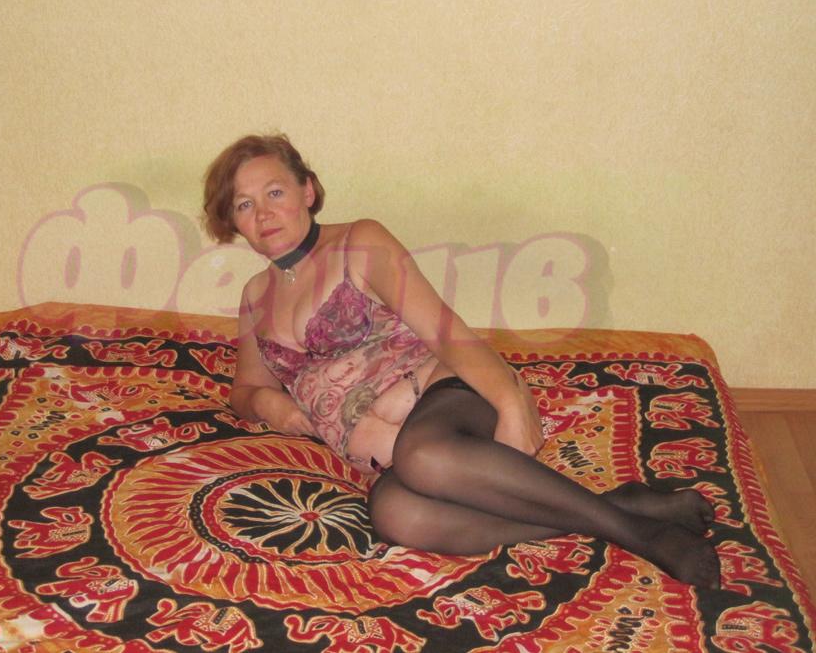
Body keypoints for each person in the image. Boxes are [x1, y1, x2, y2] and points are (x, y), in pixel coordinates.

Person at [202, 133, 720, 589]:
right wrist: (270, 405)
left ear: (308, 191)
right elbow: (243, 390)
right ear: (234, 220)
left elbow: (446, 332)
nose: (263, 214)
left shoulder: (359, 242)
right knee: (396, 515)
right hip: (386, 454)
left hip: (445, 393)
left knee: (423, 455)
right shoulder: (255, 297)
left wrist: (510, 402)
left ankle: (642, 534)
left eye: (275, 192)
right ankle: (615, 506)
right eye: (245, 204)